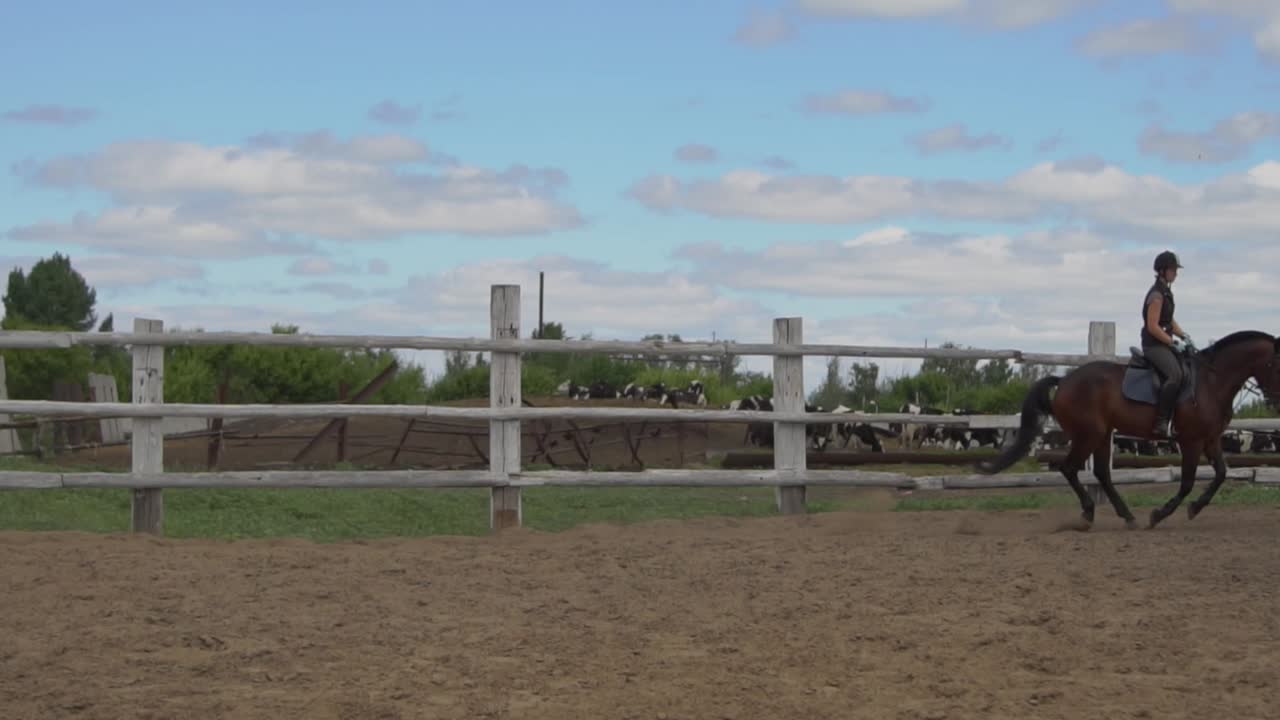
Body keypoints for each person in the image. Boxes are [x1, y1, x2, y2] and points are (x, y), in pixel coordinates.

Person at [1141, 250, 1193, 437]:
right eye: (1173, 270)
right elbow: (1153, 326)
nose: (1176, 274)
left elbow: (1169, 320)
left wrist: (1183, 335)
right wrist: (1172, 342)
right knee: (1175, 374)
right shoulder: (1156, 295)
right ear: (1162, 271)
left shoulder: (1165, 292)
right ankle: (1161, 421)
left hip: (1163, 343)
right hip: (1153, 345)